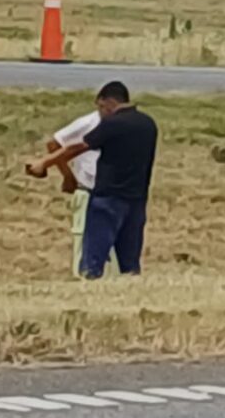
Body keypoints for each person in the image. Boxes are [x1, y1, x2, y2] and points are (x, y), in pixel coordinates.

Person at [26, 81, 158, 279]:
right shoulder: (148, 124)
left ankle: (89, 289)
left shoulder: (113, 124)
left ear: (109, 102)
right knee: (129, 263)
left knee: (92, 261)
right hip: (136, 199)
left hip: (108, 198)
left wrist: (44, 162)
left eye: (101, 108)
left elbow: (77, 147)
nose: (100, 113)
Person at [33, 106, 117, 278]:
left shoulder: (124, 125)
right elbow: (55, 143)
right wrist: (68, 176)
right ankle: (83, 277)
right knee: (84, 240)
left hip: (115, 192)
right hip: (88, 189)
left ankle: (112, 280)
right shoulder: (88, 123)